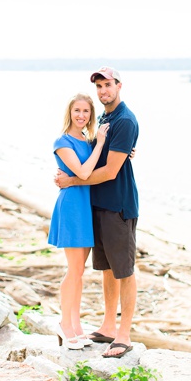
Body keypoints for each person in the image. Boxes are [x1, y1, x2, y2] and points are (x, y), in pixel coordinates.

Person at [55, 66, 140, 359]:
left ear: (119, 85)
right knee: (106, 268)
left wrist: (72, 180)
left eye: (108, 85)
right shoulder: (105, 118)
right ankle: (107, 326)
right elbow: (97, 154)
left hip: (118, 205)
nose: (104, 91)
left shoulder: (125, 120)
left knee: (124, 271)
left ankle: (124, 334)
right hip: (98, 206)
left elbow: (110, 171)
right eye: (100, 87)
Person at [49, 93, 109, 349]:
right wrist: (101, 143)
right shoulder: (62, 141)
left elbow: (102, 165)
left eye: (86, 111)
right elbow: (84, 172)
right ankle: (65, 324)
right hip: (72, 207)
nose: (81, 115)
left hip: (86, 208)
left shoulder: (87, 140)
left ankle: (76, 325)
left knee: (79, 272)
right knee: (73, 270)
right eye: (77, 111)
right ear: (70, 113)